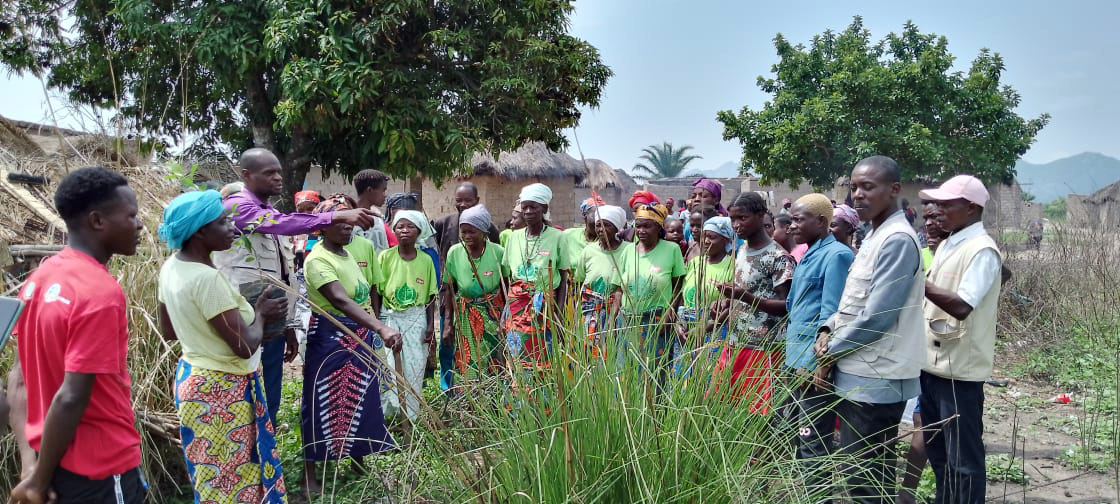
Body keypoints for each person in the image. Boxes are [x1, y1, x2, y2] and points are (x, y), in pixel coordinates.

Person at [10, 167, 146, 504]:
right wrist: (38, 483)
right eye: (131, 215)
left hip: (50, 462)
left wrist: (32, 468)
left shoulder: (37, 281)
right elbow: (72, 397)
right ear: (98, 221)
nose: (140, 224)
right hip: (100, 467)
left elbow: (19, 378)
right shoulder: (99, 292)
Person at [215, 148, 374, 425]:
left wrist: (288, 324)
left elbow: (283, 271)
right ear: (246, 176)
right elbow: (283, 224)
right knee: (245, 396)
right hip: (243, 318)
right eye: (269, 173)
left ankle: (268, 457)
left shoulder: (268, 210)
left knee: (270, 392)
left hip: (271, 316)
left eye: (279, 171)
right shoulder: (237, 207)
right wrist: (335, 217)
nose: (278, 177)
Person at [156, 190, 289, 503]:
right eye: (223, 221)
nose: (233, 226)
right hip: (222, 389)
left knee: (214, 474)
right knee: (233, 479)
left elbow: (168, 329)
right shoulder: (206, 279)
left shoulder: (171, 268)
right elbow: (244, 346)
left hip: (194, 377)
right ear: (200, 232)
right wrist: (261, 314)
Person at [814, 156, 925, 504]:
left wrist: (829, 353)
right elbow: (853, 302)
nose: (858, 195)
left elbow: (878, 317)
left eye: (868, 187)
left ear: (893, 190)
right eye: (854, 187)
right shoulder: (874, 235)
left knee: (867, 480)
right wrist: (826, 329)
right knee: (858, 472)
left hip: (876, 377)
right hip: (858, 371)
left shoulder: (896, 240)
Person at [301, 195, 401, 495]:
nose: (348, 228)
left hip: (359, 337)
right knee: (321, 402)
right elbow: (341, 301)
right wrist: (381, 327)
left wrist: (373, 327)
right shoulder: (318, 259)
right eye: (341, 222)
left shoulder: (346, 255)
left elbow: (363, 295)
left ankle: (358, 463)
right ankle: (310, 476)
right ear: (323, 227)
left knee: (361, 397)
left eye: (350, 222)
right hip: (330, 338)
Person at [918, 175, 1003, 504]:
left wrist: (917, 281)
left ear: (970, 208)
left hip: (958, 373)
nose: (938, 210)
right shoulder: (950, 243)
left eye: (946, 204)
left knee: (963, 462)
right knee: (939, 456)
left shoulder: (981, 250)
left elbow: (963, 305)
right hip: (932, 366)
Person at [782, 194, 856, 501]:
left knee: (814, 441)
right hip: (794, 359)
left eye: (799, 220)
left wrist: (820, 366)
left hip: (812, 364)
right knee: (799, 436)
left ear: (822, 222)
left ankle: (819, 497)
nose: (791, 226)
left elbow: (832, 315)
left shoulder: (836, 255)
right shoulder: (809, 253)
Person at [715, 192, 793, 414]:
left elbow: (786, 306)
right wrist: (725, 302)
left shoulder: (778, 257)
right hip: (735, 342)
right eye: (733, 219)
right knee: (730, 409)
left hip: (762, 348)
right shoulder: (742, 250)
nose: (736, 225)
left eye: (742, 218)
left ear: (761, 215)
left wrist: (745, 297)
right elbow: (744, 289)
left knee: (758, 416)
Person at [379, 210, 439, 421]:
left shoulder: (426, 260)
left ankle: (410, 418)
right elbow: (376, 291)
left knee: (414, 369)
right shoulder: (385, 257)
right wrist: (379, 323)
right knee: (387, 371)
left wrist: (430, 326)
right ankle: (389, 418)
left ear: (419, 231)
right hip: (390, 318)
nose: (404, 230)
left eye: (410, 226)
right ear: (394, 230)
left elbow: (431, 297)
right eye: (400, 226)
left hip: (416, 319)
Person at [614, 203, 685, 377]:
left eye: (647, 226)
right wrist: (612, 321)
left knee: (654, 373)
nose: (641, 230)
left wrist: (669, 315)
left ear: (659, 227)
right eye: (638, 226)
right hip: (627, 321)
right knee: (626, 372)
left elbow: (678, 289)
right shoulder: (627, 251)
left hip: (657, 322)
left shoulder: (671, 250)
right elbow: (618, 290)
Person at [504, 183, 571, 366]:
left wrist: (558, 313)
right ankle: (520, 392)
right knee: (516, 353)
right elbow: (510, 277)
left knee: (544, 354)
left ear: (544, 209)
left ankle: (541, 393)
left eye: (533, 207)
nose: (527, 211)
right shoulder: (513, 237)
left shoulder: (558, 237)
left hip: (545, 308)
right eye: (524, 207)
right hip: (517, 306)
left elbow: (564, 278)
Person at [441, 204, 507, 382]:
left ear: (484, 231)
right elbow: (449, 288)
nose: (467, 236)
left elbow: (507, 287)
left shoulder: (497, 252)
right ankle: (470, 403)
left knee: (495, 360)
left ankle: (495, 404)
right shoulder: (455, 252)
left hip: (493, 315)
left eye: (472, 232)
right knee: (467, 361)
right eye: (464, 232)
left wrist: (504, 319)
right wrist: (448, 324)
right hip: (465, 317)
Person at [675, 216, 736, 368]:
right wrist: (677, 323)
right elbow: (682, 296)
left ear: (726, 240)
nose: (706, 241)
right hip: (685, 328)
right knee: (683, 377)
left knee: (707, 377)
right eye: (704, 236)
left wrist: (704, 328)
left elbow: (731, 306)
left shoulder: (732, 265)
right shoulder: (695, 263)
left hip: (712, 329)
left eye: (711, 237)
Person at [573, 205, 631, 355]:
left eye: (608, 225)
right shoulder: (589, 251)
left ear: (617, 228)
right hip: (590, 311)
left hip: (617, 312)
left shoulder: (629, 250)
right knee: (588, 352)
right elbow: (578, 281)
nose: (602, 229)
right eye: (599, 225)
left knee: (613, 351)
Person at [432, 182, 502, 261]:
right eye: (458, 200)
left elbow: (495, 256)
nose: (462, 204)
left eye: (468, 200)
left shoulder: (489, 228)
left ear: (477, 200)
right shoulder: (442, 224)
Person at [353, 169, 393, 254]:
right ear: (370, 190)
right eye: (383, 190)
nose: (385, 195)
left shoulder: (378, 219)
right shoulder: (349, 219)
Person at [563, 196, 605, 267]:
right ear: (584, 216)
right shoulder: (568, 235)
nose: (599, 220)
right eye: (595, 216)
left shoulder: (607, 242)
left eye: (603, 216)